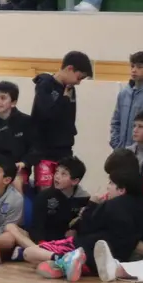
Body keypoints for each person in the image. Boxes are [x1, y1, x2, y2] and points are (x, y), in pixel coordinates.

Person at [29, 51, 94, 188]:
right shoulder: (45, 84)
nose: (78, 82)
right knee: (44, 189)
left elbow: (69, 117)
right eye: (79, 78)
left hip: (64, 148)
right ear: (69, 69)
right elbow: (46, 114)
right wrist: (63, 99)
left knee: (63, 189)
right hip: (44, 149)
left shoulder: (70, 89)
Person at [110, 51, 143, 150]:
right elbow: (116, 121)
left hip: (141, 150)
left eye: (139, 67)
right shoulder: (124, 93)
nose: (134, 70)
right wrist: (116, 143)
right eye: (132, 66)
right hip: (121, 150)